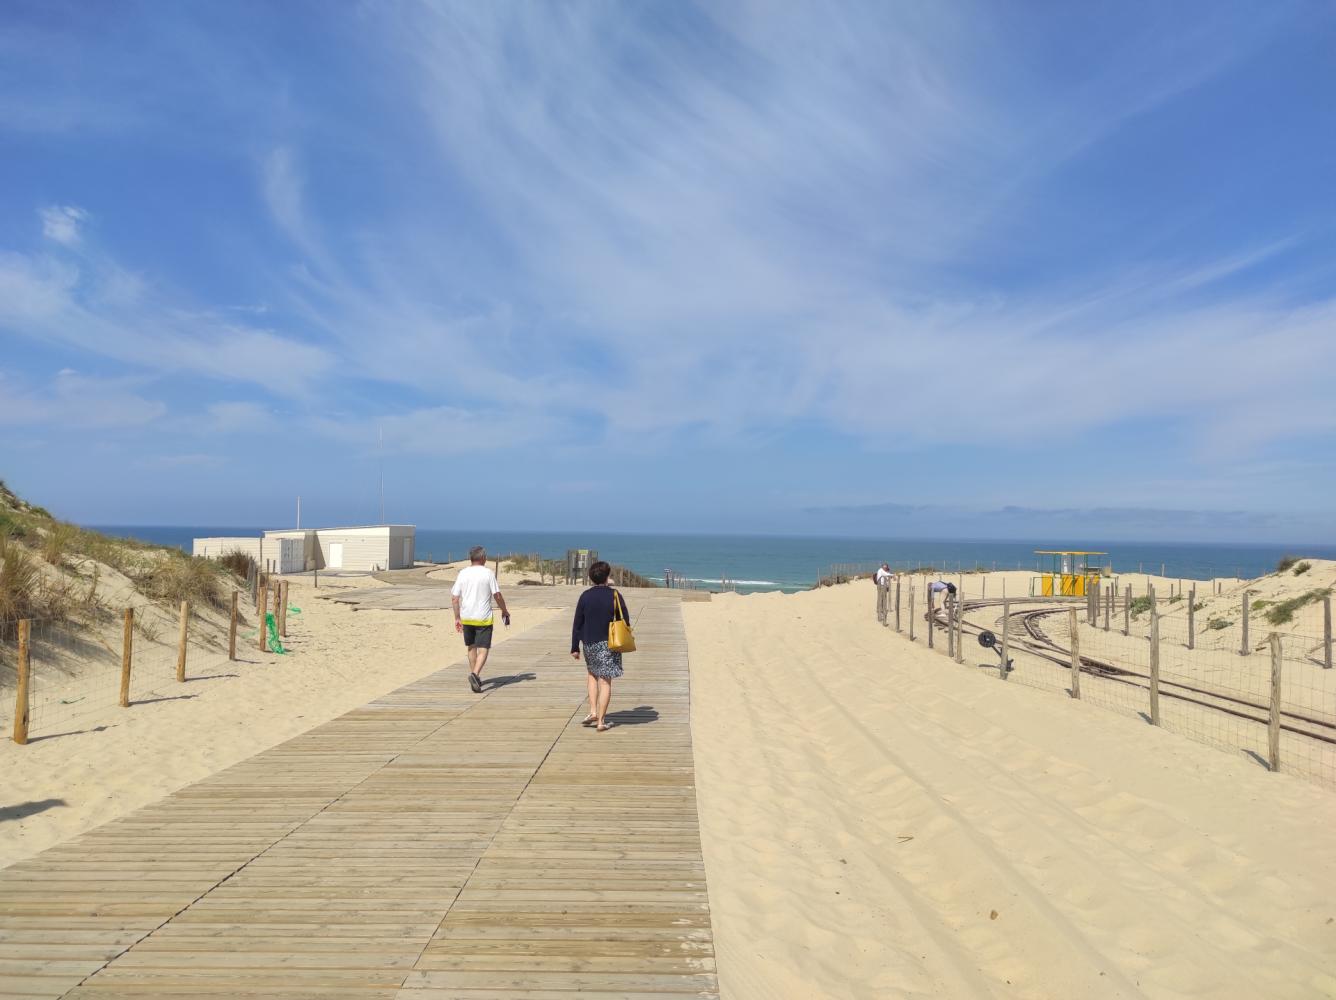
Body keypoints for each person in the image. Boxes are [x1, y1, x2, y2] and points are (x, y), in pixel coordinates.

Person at [570, 560, 629, 733]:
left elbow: (577, 623)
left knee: (592, 675)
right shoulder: (615, 595)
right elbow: (624, 619)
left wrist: (574, 647)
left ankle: (593, 711)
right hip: (609, 642)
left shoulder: (585, 596)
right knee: (605, 681)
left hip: (588, 642)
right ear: (607, 576)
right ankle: (601, 721)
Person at [451, 546, 510, 693]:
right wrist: (504, 610)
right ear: (483, 558)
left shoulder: (463, 573)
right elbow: (497, 595)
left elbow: (454, 598)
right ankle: (475, 674)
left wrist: (457, 617)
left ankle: (475, 679)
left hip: (467, 617)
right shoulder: (488, 573)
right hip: (483, 618)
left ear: (471, 558)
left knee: (471, 647)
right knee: (483, 649)